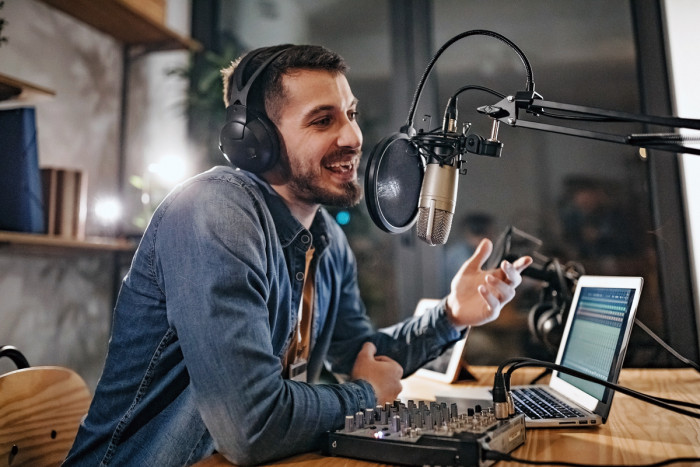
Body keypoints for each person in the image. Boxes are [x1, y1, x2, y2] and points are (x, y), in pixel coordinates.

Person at [64, 44, 532, 467]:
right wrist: (367, 395)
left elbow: (364, 355)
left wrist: (450, 316)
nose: (352, 137)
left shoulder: (326, 238)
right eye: (322, 120)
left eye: (351, 113)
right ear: (255, 139)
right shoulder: (214, 213)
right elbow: (252, 427)